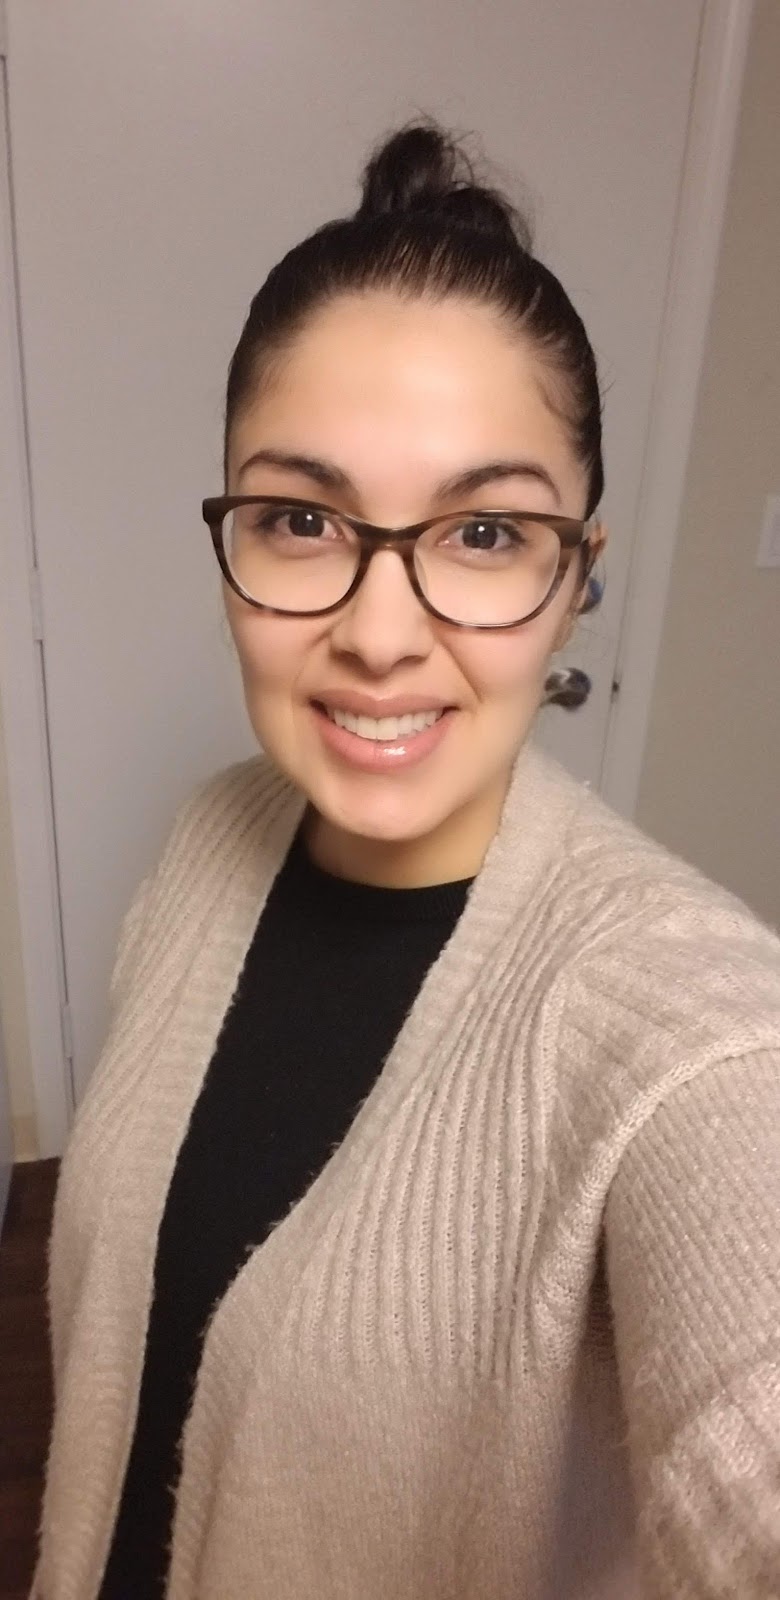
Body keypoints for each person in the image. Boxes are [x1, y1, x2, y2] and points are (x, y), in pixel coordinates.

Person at [32, 122, 780, 1600]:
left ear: (577, 579)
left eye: (485, 532)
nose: (380, 634)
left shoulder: (691, 1031)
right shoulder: (207, 840)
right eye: (303, 521)